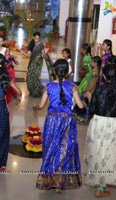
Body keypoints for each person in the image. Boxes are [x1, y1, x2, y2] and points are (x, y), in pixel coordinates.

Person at [84, 64, 116, 197]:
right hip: (112, 124)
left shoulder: (98, 89)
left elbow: (92, 108)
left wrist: (90, 99)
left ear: (104, 75)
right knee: (109, 153)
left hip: (97, 123)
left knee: (97, 151)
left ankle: (98, 182)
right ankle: (100, 187)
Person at [33, 59, 85, 193]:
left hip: (52, 122)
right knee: (65, 150)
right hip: (68, 121)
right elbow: (80, 106)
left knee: (51, 148)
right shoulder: (72, 86)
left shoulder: (49, 86)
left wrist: (35, 106)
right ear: (67, 72)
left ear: (55, 71)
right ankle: (59, 182)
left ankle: (50, 178)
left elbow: (41, 105)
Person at [24, 32, 53, 97]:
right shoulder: (31, 44)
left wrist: (46, 55)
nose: (36, 40)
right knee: (29, 77)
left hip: (38, 63)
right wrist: (19, 50)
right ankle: (32, 91)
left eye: (38, 38)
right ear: (33, 37)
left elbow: (43, 55)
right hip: (32, 63)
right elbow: (28, 55)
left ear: (40, 38)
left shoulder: (41, 45)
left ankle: (37, 92)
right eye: (35, 38)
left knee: (36, 77)